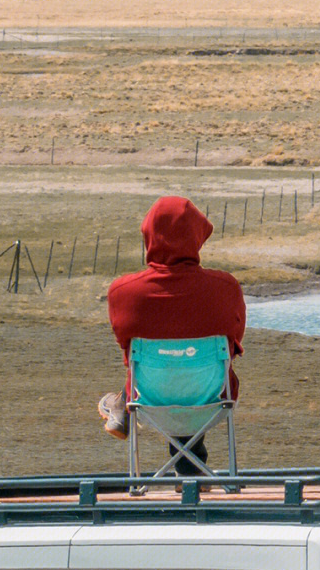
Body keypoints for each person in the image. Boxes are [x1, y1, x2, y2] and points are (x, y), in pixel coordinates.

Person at [98, 196, 246, 469]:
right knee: (190, 375)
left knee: (163, 371)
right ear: (197, 237)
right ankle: (191, 469)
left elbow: (125, 348)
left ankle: (121, 406)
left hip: (147, 396)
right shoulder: (225, 287)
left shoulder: (123, 292)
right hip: (213, 394)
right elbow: (234, 343)